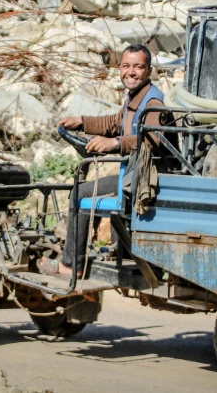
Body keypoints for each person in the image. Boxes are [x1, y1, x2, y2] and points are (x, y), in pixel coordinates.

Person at [38, 43, 166, 277]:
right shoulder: (135, 99)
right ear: (119, 68)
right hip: (133, 174)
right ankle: (117, 249)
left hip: (143, 180)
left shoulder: (152, 103)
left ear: (148, 70)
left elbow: (153, 139)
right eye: (126, 66)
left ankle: (71, 265)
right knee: (87, 189)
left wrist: (116, 143)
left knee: (81, 192)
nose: (131, 72)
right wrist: (82, 122)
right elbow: (112, 123)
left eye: (138, 67)